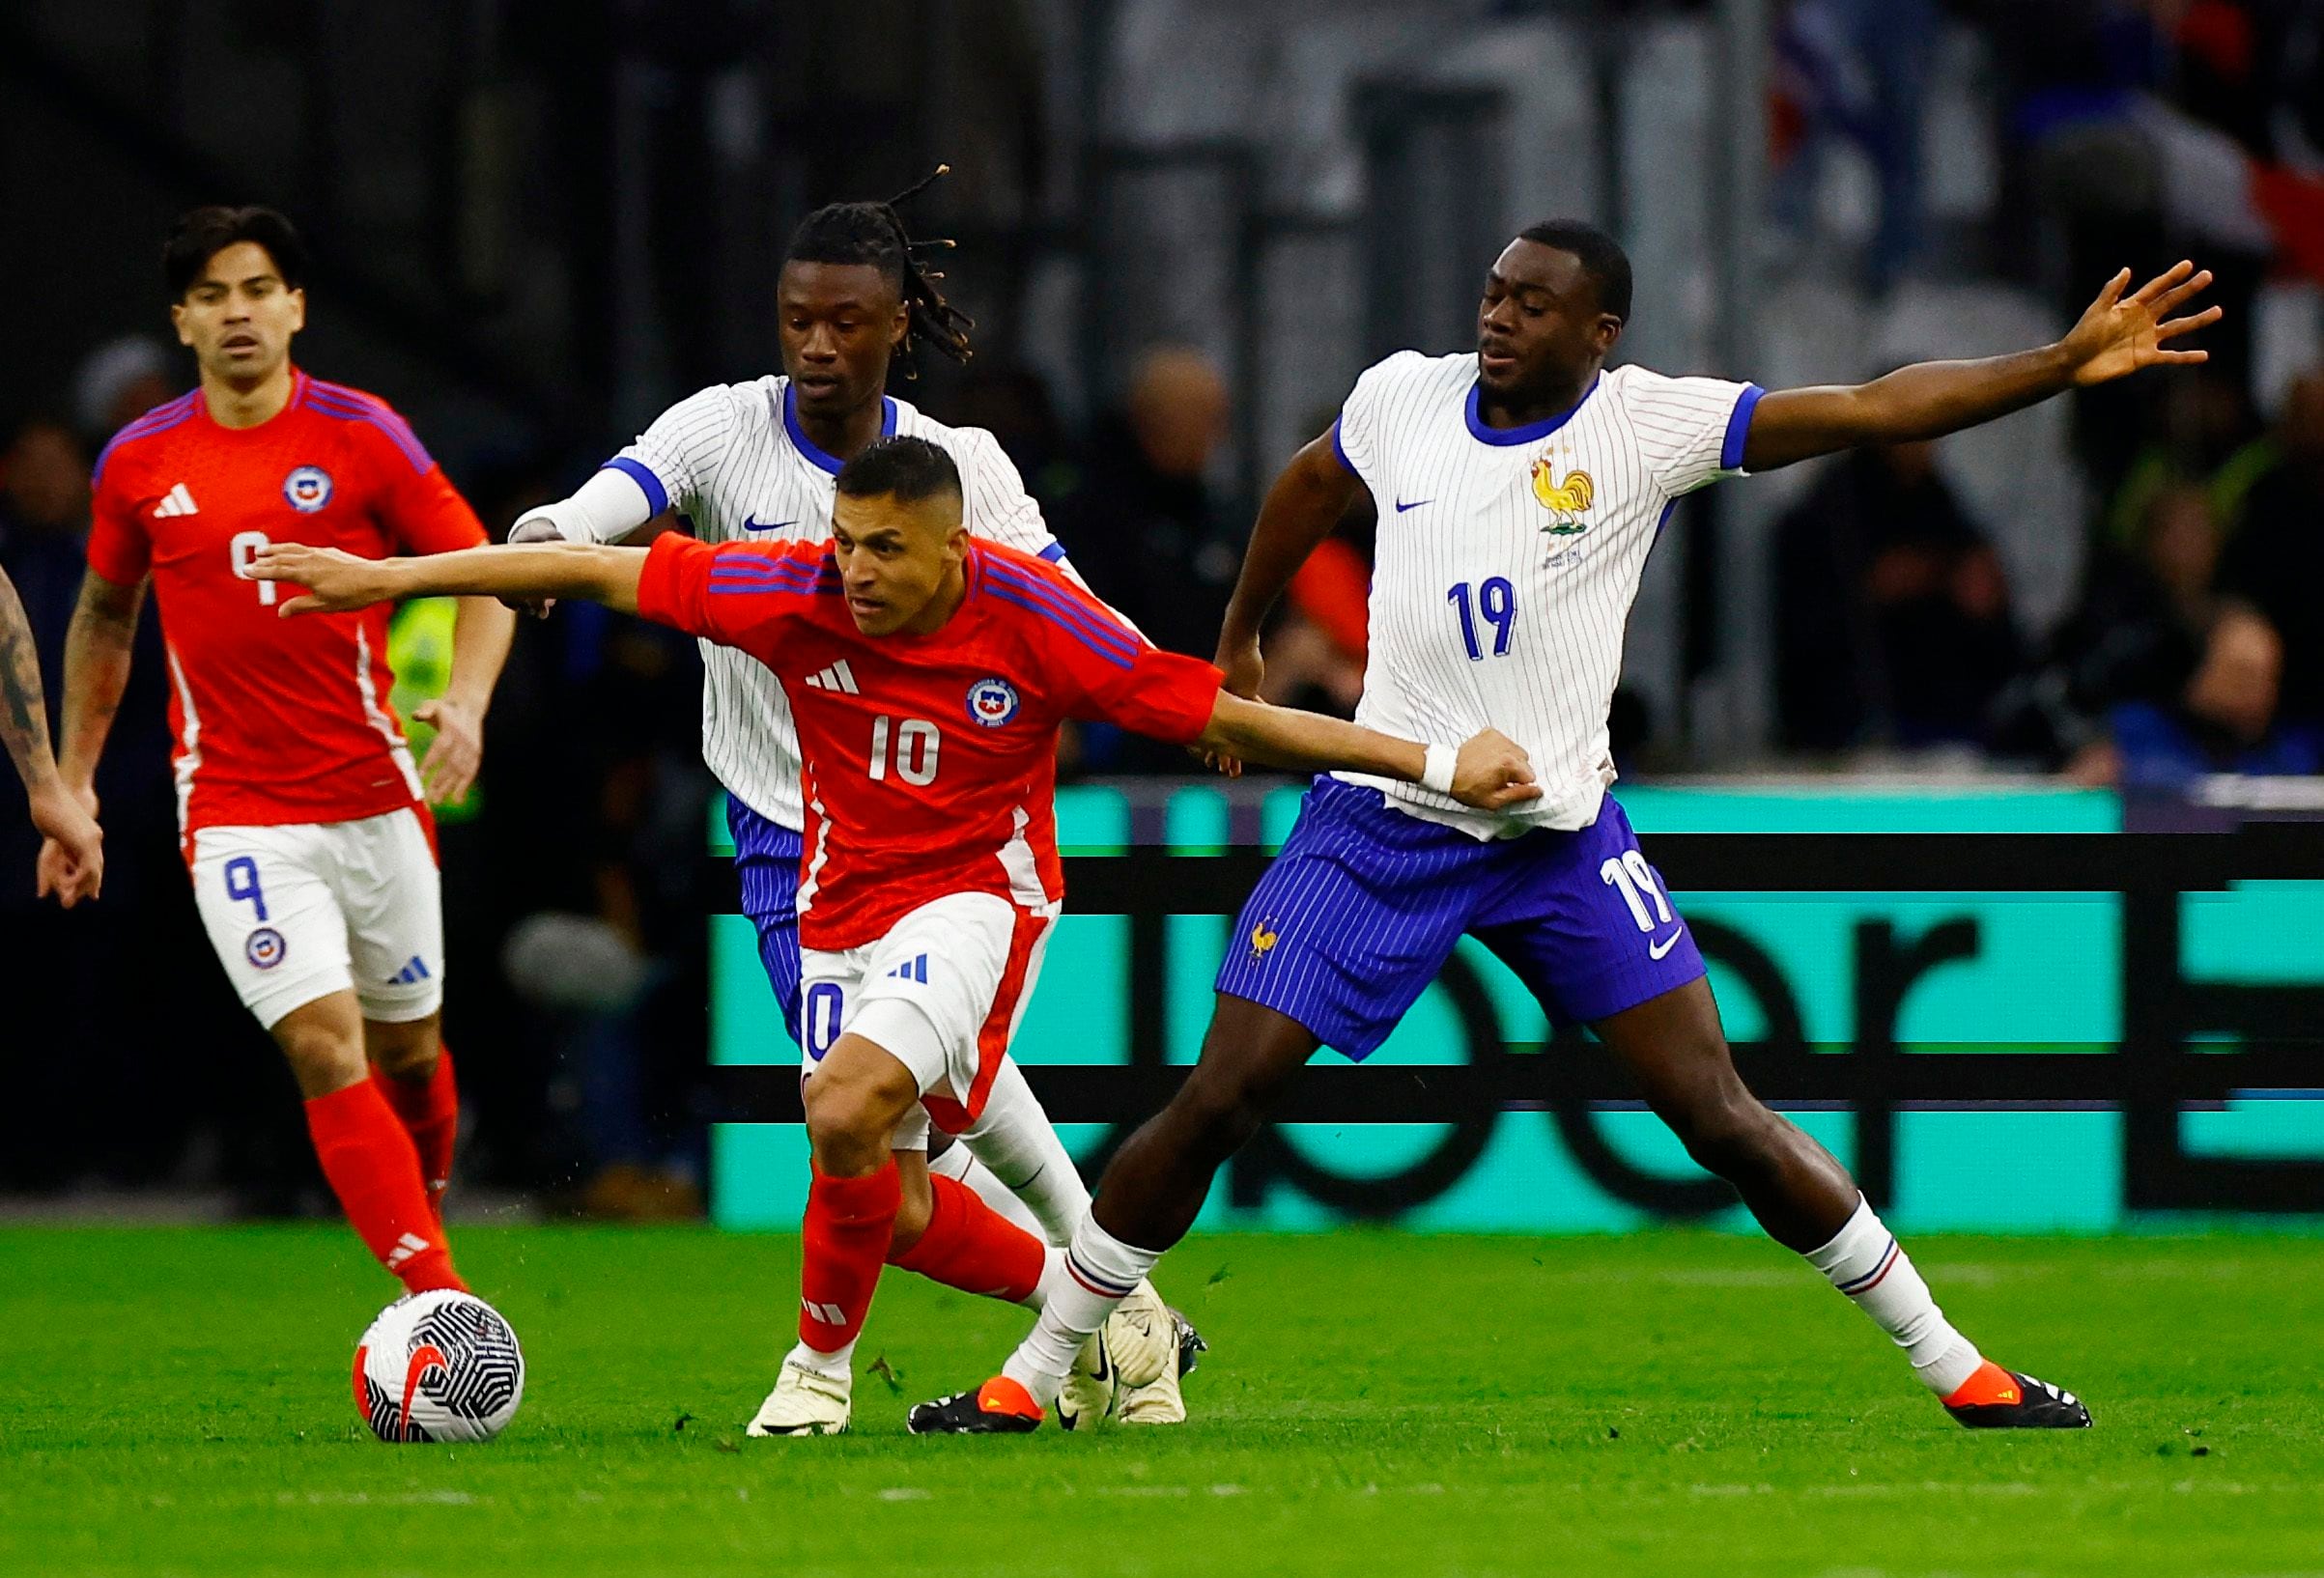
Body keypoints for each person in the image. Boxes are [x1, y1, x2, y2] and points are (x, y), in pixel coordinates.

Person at [908, 221, 2222, 1435]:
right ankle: (1031, 1381)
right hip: (1379, 822)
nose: (1500, 318)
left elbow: (1873, 409)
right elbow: (1307, 489)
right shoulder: (1401, 398)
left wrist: (2055, 364)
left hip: (1557, 836)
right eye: (1493, 292)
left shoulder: (1646, 427)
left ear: (1599, 332)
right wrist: (1239, 636)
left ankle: (1960, 1368)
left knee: (1719, 1114)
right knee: (1223, 1093)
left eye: (1536, 305)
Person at [249, 435, 1540, 1436]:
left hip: (980, 897)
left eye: (884, 551)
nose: (856, 571)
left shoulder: (1036, 617)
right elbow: (589, 566)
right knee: (898, 1195)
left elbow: (1239, 720)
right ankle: (1108, 1311)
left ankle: (814, 1374)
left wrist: (1429, 759)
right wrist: (391, 577)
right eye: (845, 543)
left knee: (842, 1103)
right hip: (839, 906)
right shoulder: (787, 589)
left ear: (952, 548)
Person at [508, 181, 1204, 1424]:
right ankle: (1104, 1309)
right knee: (907, 1137)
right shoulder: (723, 429)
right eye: (795, 322)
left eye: (844, 323)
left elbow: (1077, 612)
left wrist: (1171, 696)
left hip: (941, 838)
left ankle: (888, 1360)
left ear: (895, 330)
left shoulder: (961, 471)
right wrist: (551, 532)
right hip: (789, 843)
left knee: (876, 1138)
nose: (817, 346)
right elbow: (620, 495)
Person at [44, 206, 516, 1297]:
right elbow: (105, 617)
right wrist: (72, 782)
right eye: (211, 295)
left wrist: (468, 701)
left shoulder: (363, 435)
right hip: (236, 810)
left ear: (295, 307)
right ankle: (438, 1302)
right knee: (320, 1041)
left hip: (375, 798)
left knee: (409, 1054)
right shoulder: (139, 460)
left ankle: (423, 1214)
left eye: (257, 289)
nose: (237, 311)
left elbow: (486, 570)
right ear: (182, 322)